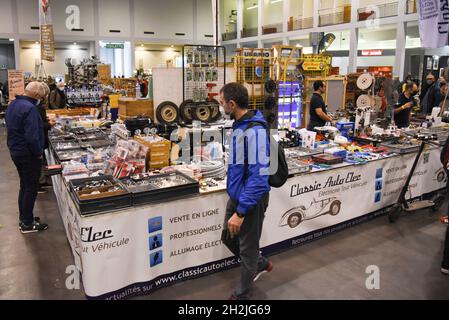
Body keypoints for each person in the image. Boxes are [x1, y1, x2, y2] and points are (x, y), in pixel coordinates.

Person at [219, 83, 272, 300]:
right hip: (238, 195)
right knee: (228, 237)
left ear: (232, 104)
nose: (220, 107)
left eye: (222, 103)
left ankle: (242, 295)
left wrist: (241, 212)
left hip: (251, 199)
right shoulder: (240, 125)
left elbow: (259, 179)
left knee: (248, 247)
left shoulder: (255, 131)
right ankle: (259, 263)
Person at [5, 81, 48, 234]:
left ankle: (25, 218)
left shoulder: (14, 104)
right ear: (36, 95)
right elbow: (32, 137)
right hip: (28, 154)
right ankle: (27, 224)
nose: (41, 100)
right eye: (41, 97)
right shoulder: (30, 109)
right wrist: (38, 153)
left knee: (24, 187)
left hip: (16, 151)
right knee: (30, 188)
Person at [37, 82, 56, 191]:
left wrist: (46, 120)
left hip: (40, 137)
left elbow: (40, 120)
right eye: (46, 94)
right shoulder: (37, 106)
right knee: (39, 161)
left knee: (41, 160)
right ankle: (39, 183)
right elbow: (38, 124)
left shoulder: (38, 104)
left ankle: (42, 180)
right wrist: (49, 124)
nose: (47, 96)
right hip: (39, 138)